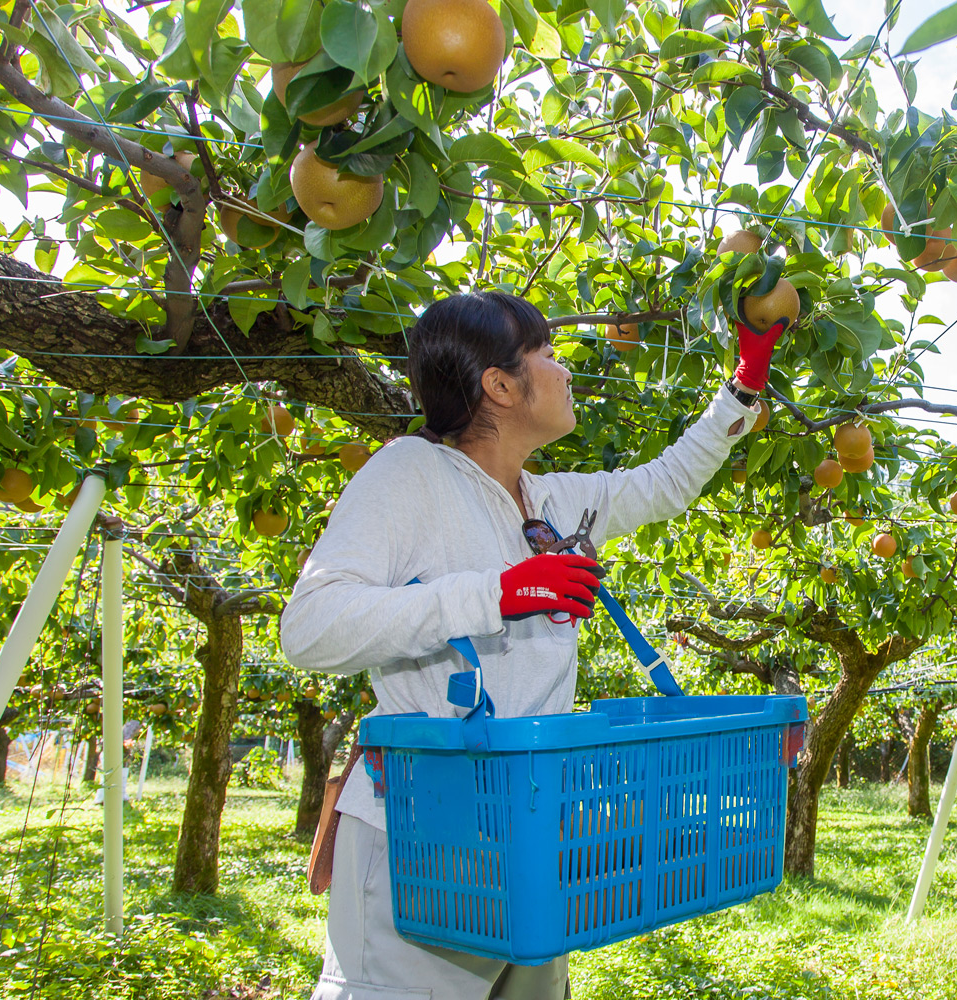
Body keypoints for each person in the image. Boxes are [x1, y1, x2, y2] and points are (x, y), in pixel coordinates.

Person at [280, 291, 785, 1000]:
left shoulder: (547, 501)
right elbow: (311, 626)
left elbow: (663, 484)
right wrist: (498, 593)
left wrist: (744, 383)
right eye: (546, 354)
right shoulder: (407, 475)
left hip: (530, 822)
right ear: (499, 384)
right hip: (424, 830)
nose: (565, 369)